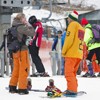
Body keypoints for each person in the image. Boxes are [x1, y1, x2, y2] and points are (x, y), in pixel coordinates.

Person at [9, 13, 35, 95]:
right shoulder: (22, 27)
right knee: (24, 69)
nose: (25, 20)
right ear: (21, 19)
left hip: (15, 51)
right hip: (22, 51)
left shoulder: (13, 26)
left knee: (16, 69)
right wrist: (29, 25)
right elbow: (32, 33)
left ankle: (12, 86)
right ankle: (22, 88)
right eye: (24, 18)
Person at [62, 10, 85, 96]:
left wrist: (64, 51)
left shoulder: (72, 25)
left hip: (71, 53)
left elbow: (69, 40)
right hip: (78, 54)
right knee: (73, 73)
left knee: (68, 73)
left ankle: (71, 90)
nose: (67, 20)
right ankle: (73, 88)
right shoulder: (81, 28)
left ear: (71, 18)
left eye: (68, 18)